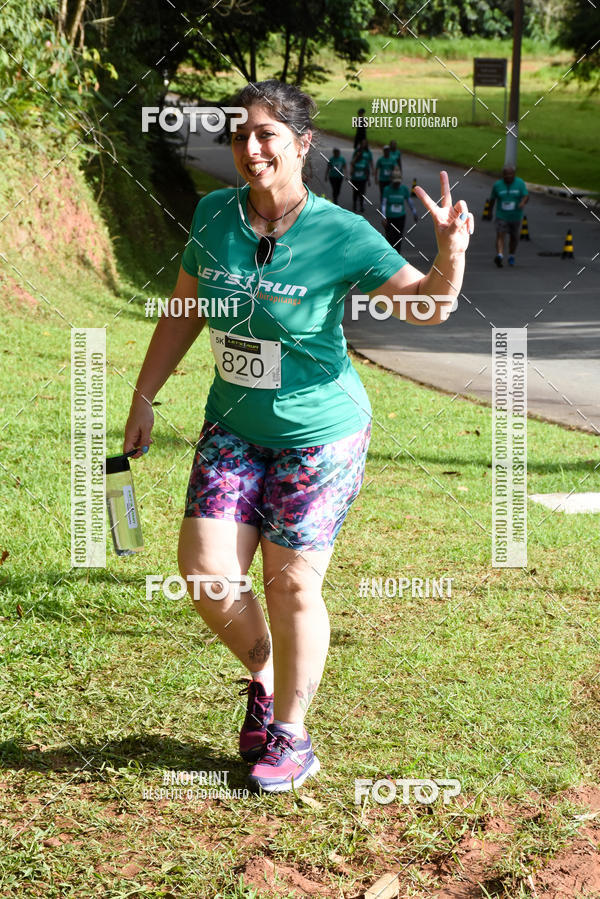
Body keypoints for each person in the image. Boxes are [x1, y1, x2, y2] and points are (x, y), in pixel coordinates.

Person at [123, 79, 474, 795]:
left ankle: (291, 734)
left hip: (320, 435)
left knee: (289, 584)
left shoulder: (341, 233)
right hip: (233, 424)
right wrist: (144, 394)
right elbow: (185, 310)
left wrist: (451, 252)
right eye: (239, 135)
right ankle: (266, 675)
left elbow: (427, 306)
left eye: (267, 135)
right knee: (206, 570)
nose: (250, 149)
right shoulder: (214, 214)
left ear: (301, 143)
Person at [488, 165, 529, 267]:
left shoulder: (520, 183)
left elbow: (526, 195)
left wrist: (523, 202)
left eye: (510, 174)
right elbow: (492, 199)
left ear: (514, 174)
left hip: (515, 216)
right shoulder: (497, 185)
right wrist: (489, 212)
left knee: (514, 237)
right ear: (503, 175)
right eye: (506, 174)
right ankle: (500, 255)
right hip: (501, 215)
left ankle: (511, 255)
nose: (508, 176)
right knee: (500, 234)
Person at [382, 167, 418, 251]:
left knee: (398, 237)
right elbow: (383, 204)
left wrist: (414, 212)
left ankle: (397, 254)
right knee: (389, 237)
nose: (396, 184)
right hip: (390, 217)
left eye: (398, 182)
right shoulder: (387, 190)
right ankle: (390, 254)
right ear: (391, 180)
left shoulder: (404, 189)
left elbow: (410, 202)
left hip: (400, 217)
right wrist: (383, 217)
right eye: (395, 182)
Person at [350, 139, 374, 214]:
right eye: (363, 143)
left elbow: (369, 163)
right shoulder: (356, 154)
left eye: (365, 143)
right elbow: (352, 163)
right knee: (355, 191)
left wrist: (369, 178)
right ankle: (354, 204)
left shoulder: (367, 156)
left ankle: (361, 205)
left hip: (363, 177)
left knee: (362, 192)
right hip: (355, 178)